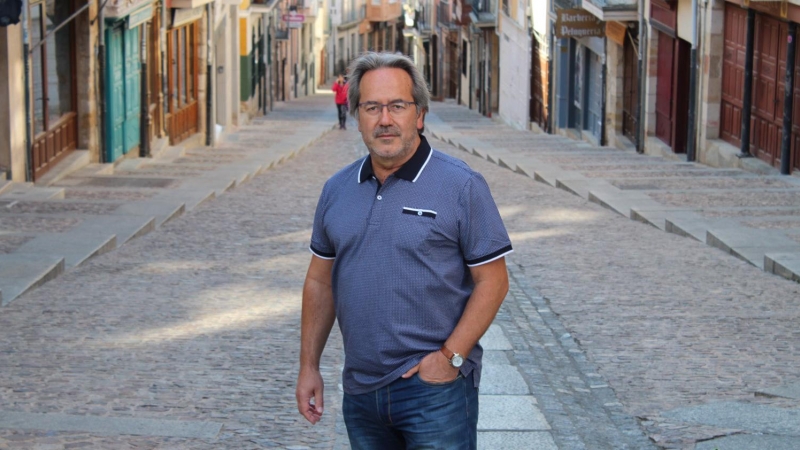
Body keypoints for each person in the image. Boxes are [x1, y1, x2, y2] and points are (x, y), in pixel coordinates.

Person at [296, 52, 512, 450]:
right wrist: (308, 367)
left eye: (398, 106)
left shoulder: (461, 185)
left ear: (420, 114)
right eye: (372, 107)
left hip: (435, 395)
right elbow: (319, 281)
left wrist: (450, 358)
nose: (385, 119)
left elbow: (493, 281)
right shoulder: (336, 189)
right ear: (356, 114)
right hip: (360, 392)